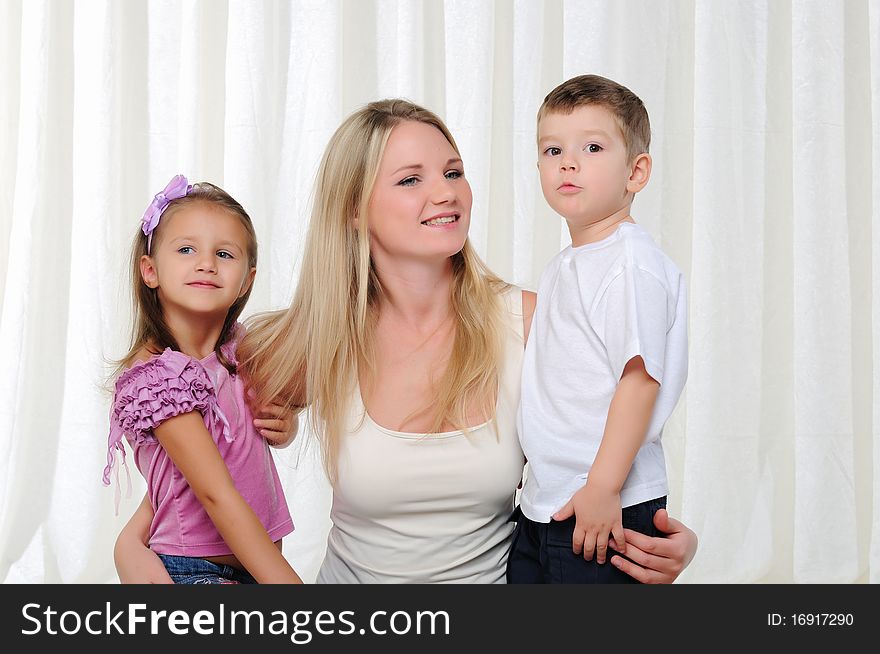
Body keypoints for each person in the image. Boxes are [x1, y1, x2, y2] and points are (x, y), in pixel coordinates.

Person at [116, 101, 697, 584]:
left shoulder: (530, 322)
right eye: (410, 179)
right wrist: (131, 547)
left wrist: (659, 534)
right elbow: (198, 470)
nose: (445, 193)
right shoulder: (307, 342)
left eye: (453, 171)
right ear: (352, 210)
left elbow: (613, 430)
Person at [507, 75, 688, 584]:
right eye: (552, 148)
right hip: (548, 500)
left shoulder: (629, 264)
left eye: (592, 147)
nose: (568, 161)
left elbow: (639, 380)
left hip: (603, 502)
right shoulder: (570, 263)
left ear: (636, 171)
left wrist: (605, 488)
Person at [104, 175, 303, 584]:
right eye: (186, 249)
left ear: (247, 279)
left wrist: (287, 421)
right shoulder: (157, 380)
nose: (206, 263)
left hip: (250, 566)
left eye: (224, 254)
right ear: (150, 270)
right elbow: (215, 494)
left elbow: (294, 392)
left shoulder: (236, 349)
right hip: (193, 571)